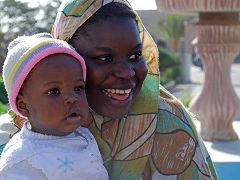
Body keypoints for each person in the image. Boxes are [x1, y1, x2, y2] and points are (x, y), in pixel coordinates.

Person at [0, 1, 218, 179]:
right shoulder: (14, 142)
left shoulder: (169, 124)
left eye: (135, 56)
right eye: (104, 58)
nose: (126, 73)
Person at [0, 33, 109, 180]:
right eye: (54, 92)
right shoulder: (22, 158)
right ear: (23, 105)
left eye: (78, 88)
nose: (72, 98)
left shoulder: (84, 134)